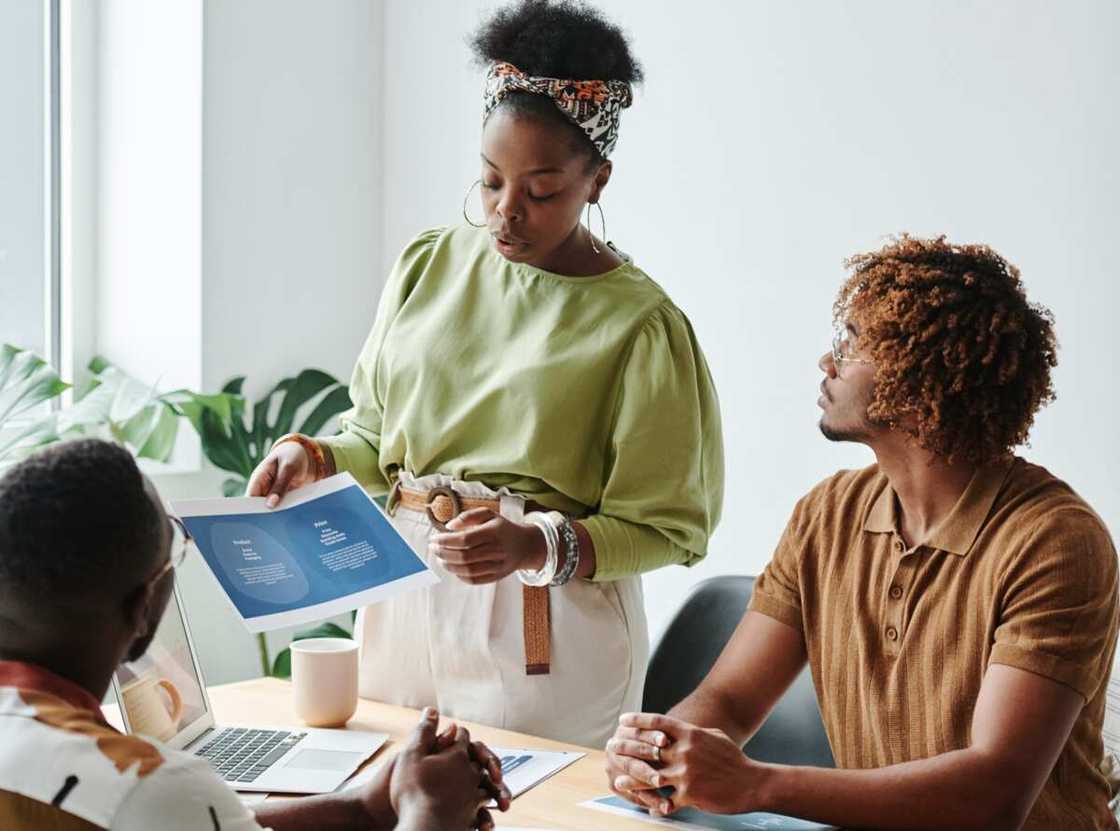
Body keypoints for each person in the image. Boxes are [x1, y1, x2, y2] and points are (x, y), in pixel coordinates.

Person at [248, 0, 723, 748]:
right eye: (490, 180)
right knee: (387, 792)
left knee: (534, 803)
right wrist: (313, 457)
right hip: (402, 595)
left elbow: (667, 526)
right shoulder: (428, 265)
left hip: (546, 625)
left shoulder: (641, 326)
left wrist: (534, 545)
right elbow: (374, 437)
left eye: (541, 190)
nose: (507, 212)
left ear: (597, 180)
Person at [605, 236, 1120, 830]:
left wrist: (755, 784)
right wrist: (660, 751)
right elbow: (731, 700)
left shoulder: (1055, 543)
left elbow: (994, 794)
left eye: (849, 344)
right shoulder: (827, 514)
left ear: (920, 377)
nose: (826, 363)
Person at [0, 439, 510, 830]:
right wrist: (428, 813)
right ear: (143, 609)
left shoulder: (137, 794)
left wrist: (362, 806)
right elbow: (167, 808)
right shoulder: (150, 789)